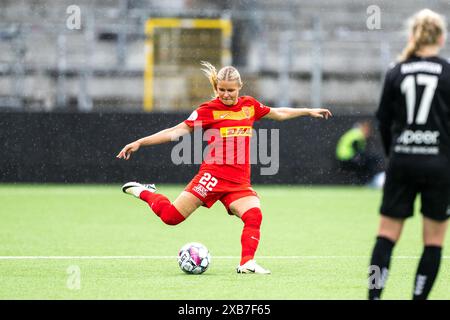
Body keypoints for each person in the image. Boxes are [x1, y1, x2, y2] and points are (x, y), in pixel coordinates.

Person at [117, 61, 332, 274]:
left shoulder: (249, 105)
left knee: (254, 215)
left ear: (240, 87)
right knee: (171, 217)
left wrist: (307, 111)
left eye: (231, 90)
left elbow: (278, 113)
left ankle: (246, 263)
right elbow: (175, 131)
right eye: (221, 90)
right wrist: (140, 142)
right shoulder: (207, 111)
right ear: (215, 88)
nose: (226, 94)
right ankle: (145, 192)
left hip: (238, 182)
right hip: (211, 177)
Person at [368, 9, 449, 299]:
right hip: (439, 164)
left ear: (413, 35)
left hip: (402, 160)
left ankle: (375, 297)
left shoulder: (396, 71)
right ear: (440, 38)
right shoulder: (448, 72)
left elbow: (383, 120)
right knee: (434, 241)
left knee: (387, 235)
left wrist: (394, 154)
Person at [336, 120, 384, 186]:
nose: (368, 133)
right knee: (367, 162)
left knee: (367, 161)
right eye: (367, 130)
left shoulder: (354, 133)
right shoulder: (358, 134)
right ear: (364, 128)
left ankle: (365, 181)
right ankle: (368, 181)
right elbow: (355, 146)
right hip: (347, 157)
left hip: (343, 157)